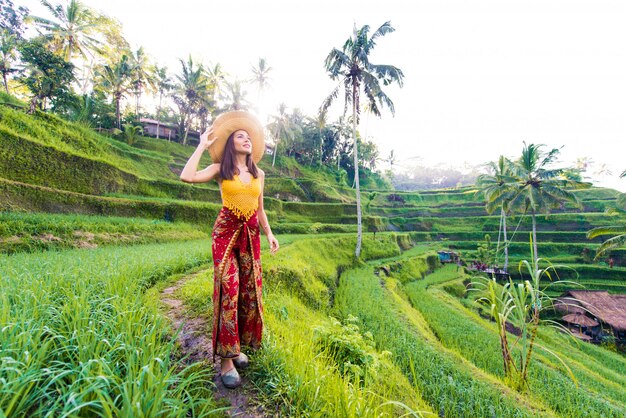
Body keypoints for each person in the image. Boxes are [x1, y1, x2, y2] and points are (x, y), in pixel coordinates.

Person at [179, 110, 279, 389]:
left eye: (248, 137)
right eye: (240, 136)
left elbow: (260, 210)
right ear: (230, 144)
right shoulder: (221, 170)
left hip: (251, 235)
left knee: (248, 292)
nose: (246, 140)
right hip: (225, 235)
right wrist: (201, 144)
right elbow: (186, 176)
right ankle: (226, 360)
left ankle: (237, 348)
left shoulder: (259, 174)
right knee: (229, 291)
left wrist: (269, 234)